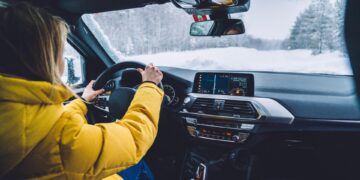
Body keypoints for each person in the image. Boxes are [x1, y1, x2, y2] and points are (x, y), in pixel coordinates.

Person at [0, 2, 164, 180]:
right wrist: (149, 86)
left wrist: (83, 102)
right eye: (60, 53)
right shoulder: (61, 140)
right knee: (138, 163)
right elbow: (134, 139)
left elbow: (45, 124)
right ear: (45, 59)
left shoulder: (13, 111)